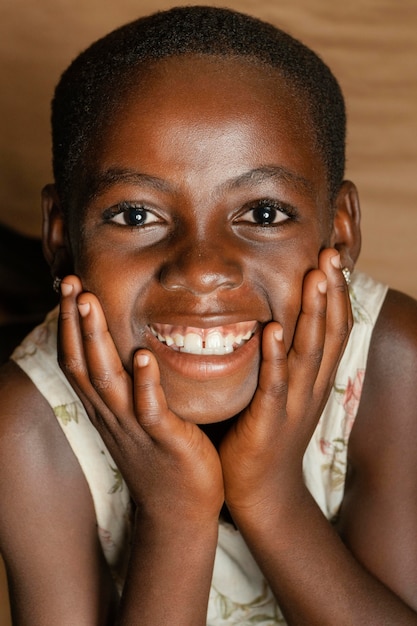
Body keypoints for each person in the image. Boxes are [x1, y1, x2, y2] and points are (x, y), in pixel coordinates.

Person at [0, 5, 416, 624]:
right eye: (137, 215)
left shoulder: (392, 366)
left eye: (265, 214)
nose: (201, 269)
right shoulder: (28, 427)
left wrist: (271, 495)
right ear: (61, 238)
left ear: (341, 229)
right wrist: (175, 515)